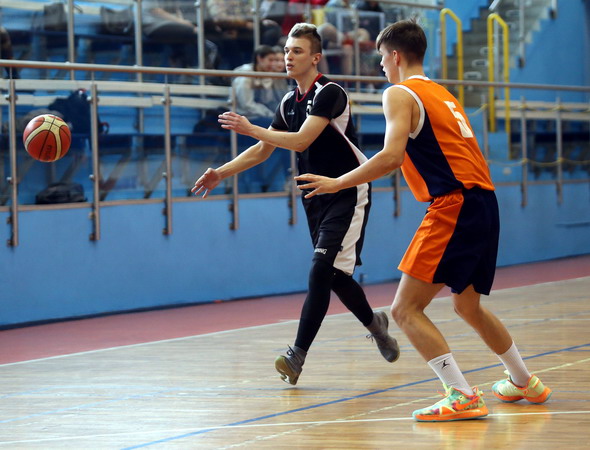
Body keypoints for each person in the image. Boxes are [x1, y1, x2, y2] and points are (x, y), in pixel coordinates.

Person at [295, 19, 552, 421]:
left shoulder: (399, 93)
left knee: (404, 310)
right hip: (484, 202)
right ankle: (523, 381)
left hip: (454, 204)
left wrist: (338, 182)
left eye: (382, 57)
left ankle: (462, 395)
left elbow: (391, 157)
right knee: (468, 305)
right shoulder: (441, 93)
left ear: (395, 56)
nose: (381, 65)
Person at [192, 22, 400, 385]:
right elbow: (263, 150)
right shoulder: (289, 102)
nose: (288, 56)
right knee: (335, 276)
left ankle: (297, 355)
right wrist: (220, 173)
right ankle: (376, 325)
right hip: (314, 197)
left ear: (315, 57)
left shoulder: (330, 92)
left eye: (297, 51)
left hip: (347, 191)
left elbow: (302, 140)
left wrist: (250, 127)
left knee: (321, 269)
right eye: (286, 50)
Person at [232, 45, 284, 119]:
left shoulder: (264, 74)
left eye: (274, 61)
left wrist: (267, 81)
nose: (273, 64)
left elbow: (266, 100)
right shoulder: (245, 76)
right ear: (259, 58)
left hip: (258, 114)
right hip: (244, 116)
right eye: (270, 60)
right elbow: (247, 105)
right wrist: (269, 114)